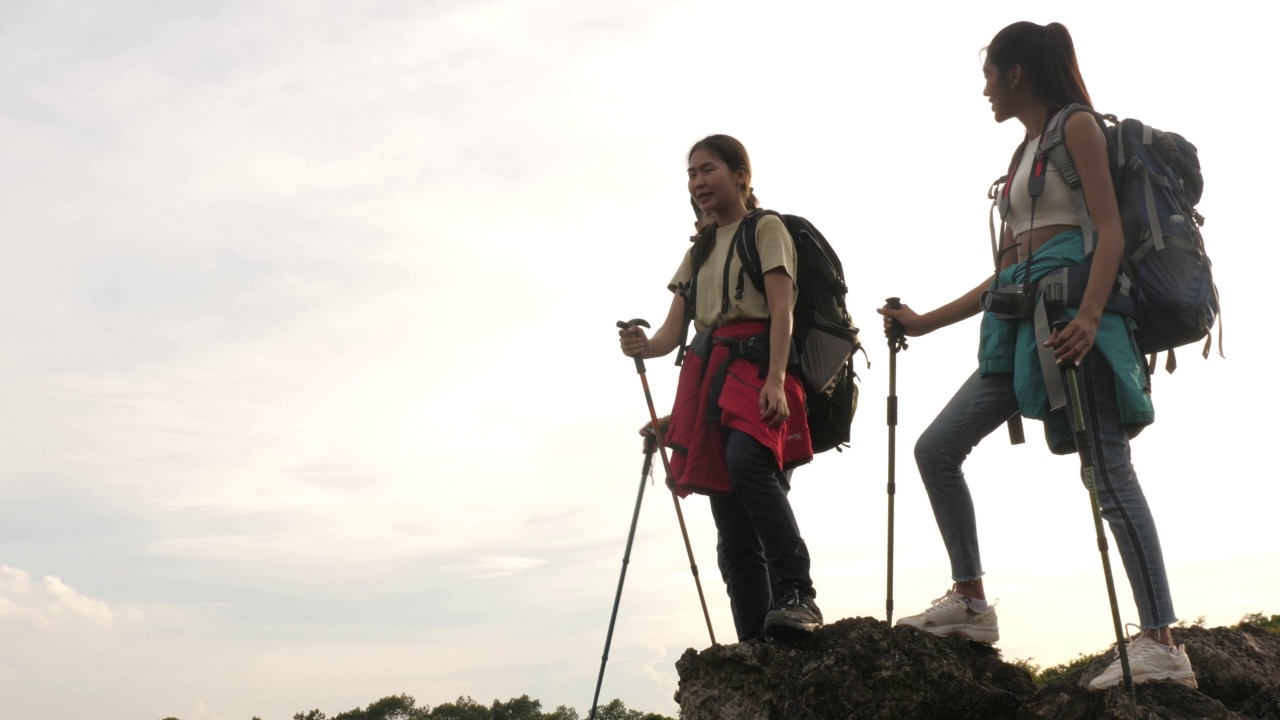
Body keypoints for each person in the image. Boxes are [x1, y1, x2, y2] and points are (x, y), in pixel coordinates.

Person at [877, 21, 1196, 691]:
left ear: (1016, 72)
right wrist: (924, 322)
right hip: (1021, 325)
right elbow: (1006, 270)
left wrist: (1087, 318)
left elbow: (1107, 232)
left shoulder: (1076, 127)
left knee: (1108, 471)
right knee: (936, 449)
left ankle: (1162, 642)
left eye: (989, 73)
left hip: (1075, 318)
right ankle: (970, 601)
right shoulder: (1024, 151)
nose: (985, 88)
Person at [619, 134, 820, 642]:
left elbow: (782, 310)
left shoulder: (765, 228)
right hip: (709, 377)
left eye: (707, 169)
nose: (698, 181)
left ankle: (798, 594)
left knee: (746, 465)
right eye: (691, 174)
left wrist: (776, 379)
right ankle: (754, 638)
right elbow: (671, 336)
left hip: (757, 368)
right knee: (728, 512)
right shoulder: (701, 248)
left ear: (740, 176)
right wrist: (640, 344)